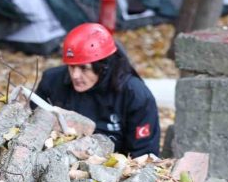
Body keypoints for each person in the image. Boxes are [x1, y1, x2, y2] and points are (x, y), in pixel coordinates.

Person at [35, 23, 160, 157]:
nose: (75, 76)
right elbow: (33, 127)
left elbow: (144, 155)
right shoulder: (52, 81)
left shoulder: (134, 95)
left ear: (103, 66)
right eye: (71, 67)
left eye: (84, 68)